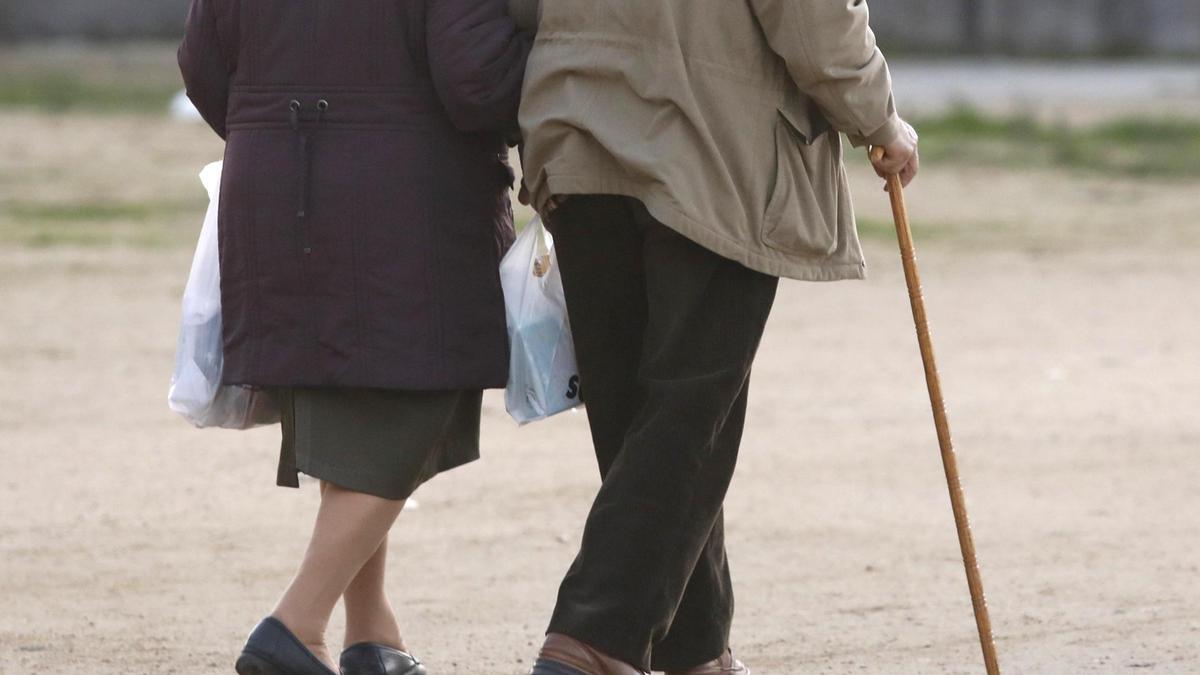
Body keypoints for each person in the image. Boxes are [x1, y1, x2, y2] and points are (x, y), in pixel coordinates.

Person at [509, 1, 920, 673]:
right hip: (713, 140)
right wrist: (879, 118)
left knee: (641, 416)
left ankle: (694, 648)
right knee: (690, 412)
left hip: (574, 127)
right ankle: (594, 636)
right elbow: (815, 21)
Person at [178, 1, 532, 673]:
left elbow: (201, 64)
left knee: (348, 405)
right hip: (406, 193)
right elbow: (476, 82)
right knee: (411, 404)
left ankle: (371, 632)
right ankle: (295, 623)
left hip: (275, 178)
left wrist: (276, 130)